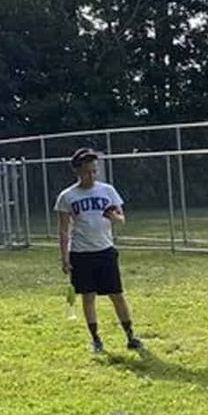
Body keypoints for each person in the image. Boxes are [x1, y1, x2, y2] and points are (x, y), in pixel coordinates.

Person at [55, 147, 144, 354]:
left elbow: (121, 219)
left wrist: (115, 218)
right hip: (81, 254)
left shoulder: (107, 191)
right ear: (78, 171)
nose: (92, 175)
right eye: (88, 171)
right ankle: (96, 339)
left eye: (95, 171)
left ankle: (130, 336)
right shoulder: (67, 196)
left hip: (105, 251)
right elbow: (63, 230)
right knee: (88, 296)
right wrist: (65, 258)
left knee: (116, 294)